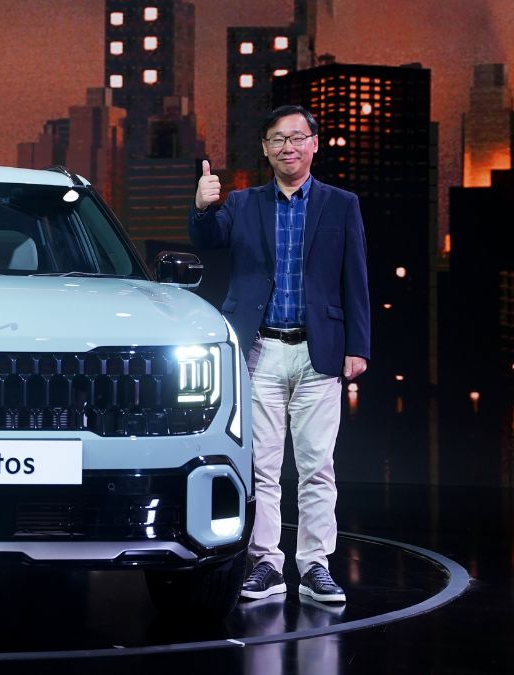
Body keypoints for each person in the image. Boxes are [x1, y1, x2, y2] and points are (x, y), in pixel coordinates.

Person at [188, 104, 369, 604]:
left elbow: (355, 277)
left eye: (296, 137)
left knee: (318, 468)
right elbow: (207, 239)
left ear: (314, 144)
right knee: (263, 468)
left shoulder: (341, 204)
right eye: (277, 139)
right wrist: (202, 207)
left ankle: (315, 566)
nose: (287, 147)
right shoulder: (243, 203)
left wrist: (358, 346)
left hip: (319, 352)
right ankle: (266, 563)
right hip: (260, 350)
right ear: (265, 149)